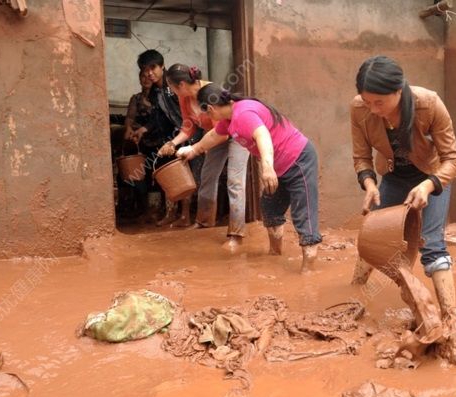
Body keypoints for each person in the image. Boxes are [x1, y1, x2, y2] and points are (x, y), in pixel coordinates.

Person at [350, 55, 456, 316]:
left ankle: (451, 316)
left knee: (431, 243)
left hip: (432, 177)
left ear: (399, 90)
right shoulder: (358, 109)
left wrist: (427, 186)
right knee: (374, 236)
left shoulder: (430, 104)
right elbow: (361, 156)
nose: (373, 109)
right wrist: (369, 184)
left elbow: (453, 160)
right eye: (368, 102)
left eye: (380, 102)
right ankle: (355, 296)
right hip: (393, 176)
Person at [176, 83, 322, 271]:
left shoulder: (243, 114)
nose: (206, 117)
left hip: (298, 160)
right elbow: (214, 135)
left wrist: (267, 167)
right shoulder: (228, 119)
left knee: (304, 215)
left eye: (205, 113)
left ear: (210, 108)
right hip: (279, 167)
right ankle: (275, 256)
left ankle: (308, 274)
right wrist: (193, 150)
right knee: (270, 208)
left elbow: (263, 136)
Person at [158, 63, 250, 251]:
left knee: (235, 180)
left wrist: (197, 148)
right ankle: (204, 222)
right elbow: (189, 127)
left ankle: (236, 234)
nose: (173, 92)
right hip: (214, 135)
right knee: (207, 176)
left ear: (182, 85)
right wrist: (173, 144)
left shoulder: (210, 93)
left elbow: (223, 132)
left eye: (173, 88)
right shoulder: (184, 99)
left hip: (236, 134)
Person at [132, 50, 191, 227]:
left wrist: (183, 136)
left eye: (153, 67)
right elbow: (158, 117)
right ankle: (171, 213)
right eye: (145, 69)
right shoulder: (153, 92)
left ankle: (185, 215)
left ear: (162, 66)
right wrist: (144, 128)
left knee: (186, 174)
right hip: (169, 138)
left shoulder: (173, 84)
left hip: (186, 133)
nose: (149, 73)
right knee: (170, 173)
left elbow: (187, 111)